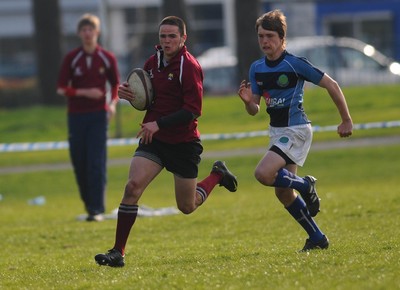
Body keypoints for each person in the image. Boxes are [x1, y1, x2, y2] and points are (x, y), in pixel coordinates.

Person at [95, 16, 238, 267]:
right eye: (163, 36)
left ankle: (217, 174)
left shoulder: (189, 66)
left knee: (187, 205)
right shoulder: (152, 63)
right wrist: (130, 95)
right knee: (132, 187)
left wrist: (158, 123)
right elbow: (148, 99)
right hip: (154, 139)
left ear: (184, 38)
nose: (167, 40)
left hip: (183, 143)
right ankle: (118, 252)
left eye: (172, 36)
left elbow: (193, 110)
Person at [238, 10, 353, 251]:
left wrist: (346, 120)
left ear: (281, 38)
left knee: (262, 174)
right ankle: (318, 238)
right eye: (260, 36)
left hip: (296, 130)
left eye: (269, 36)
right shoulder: (256, 68)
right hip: (277, 132)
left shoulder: (295, 63)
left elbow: (332, 85)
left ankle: (305, 185)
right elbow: (255, 110)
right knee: (283, 192)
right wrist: (249, 101)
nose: (264, 41)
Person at [57, 14, 120, 222]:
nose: (87, 33)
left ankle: (96, 208)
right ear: (79, 34)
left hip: (98, 116)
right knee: (80, 161)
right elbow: (61, 88)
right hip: (76, 116)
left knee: (96, 161)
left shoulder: (107, 58)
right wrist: (85, 92)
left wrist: (111, 105)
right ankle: (88, 203)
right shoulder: (72, 58)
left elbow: (117, 86)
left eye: (90, 30)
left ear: (97, 32)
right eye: (83, 30)